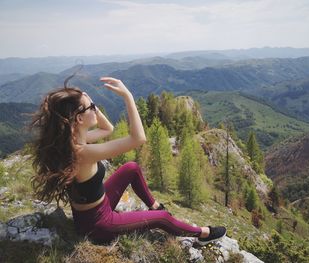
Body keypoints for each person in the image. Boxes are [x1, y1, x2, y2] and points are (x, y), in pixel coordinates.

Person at [29, 76, 226, 245]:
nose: (96, 109)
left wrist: (88, 105)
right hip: (98, 224)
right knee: (163, 219)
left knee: (131, 167)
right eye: (92, 107)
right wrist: (128, 97)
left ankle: (154, 205)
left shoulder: (73, 141)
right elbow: (138, 138)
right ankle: (202, 234)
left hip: (99, 205)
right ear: (79, 119)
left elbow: (108, 129)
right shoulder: (82, 152)